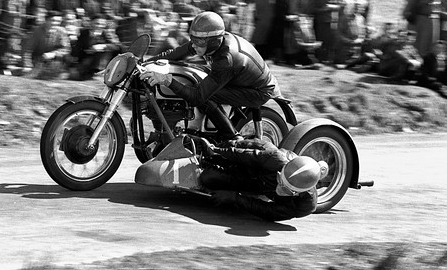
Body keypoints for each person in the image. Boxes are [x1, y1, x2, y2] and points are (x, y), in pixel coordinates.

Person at [140, 11, 283, 139]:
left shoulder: (225, 60)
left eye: (198, 41)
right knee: (192, 73)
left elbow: (197, 97)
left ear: (213, 41)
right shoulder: (206, 42)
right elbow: (174, 54)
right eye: (192, 38)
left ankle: (232, 138)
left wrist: (167, 81)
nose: (194, 45)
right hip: (238, 79)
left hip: (258, 91)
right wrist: (146, 64)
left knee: (206, 96)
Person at [199, 135, 329, 221]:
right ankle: (234, 136)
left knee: (208, 178)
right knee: (228, 146)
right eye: (280, 180)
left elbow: (268, 211)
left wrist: (235, 198)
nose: (279, 188)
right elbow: (243, 154)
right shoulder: (276, 159)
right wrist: (217, 150)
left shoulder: (305, 206)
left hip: (257, 184)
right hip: (258, 161)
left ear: (298, 194)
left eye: (286, 189)